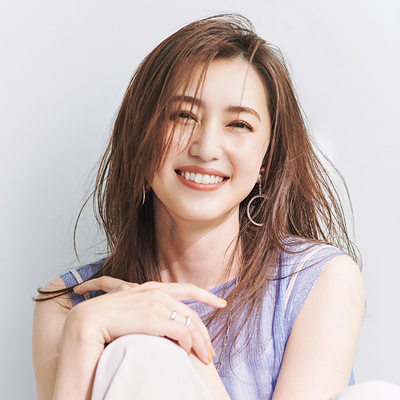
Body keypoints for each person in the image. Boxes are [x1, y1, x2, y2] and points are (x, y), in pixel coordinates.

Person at [32, 14, 396, 400]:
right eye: (183, 116)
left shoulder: (318, 282)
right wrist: (85, 329)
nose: (205, 149)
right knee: (137, 351)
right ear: (141, 136)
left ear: (267, 158)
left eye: (239, 124)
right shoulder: (70, 302)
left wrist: (184, 341)